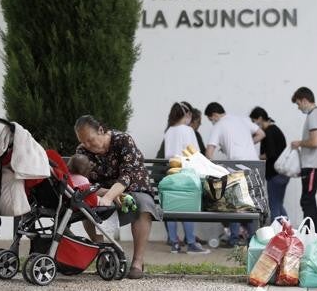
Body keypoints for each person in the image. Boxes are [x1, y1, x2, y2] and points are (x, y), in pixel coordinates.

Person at [74, 115, 162, 279]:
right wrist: (108, 194)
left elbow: (127, 175)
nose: (87, 145)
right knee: (86, 208)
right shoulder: (83, 151)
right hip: (104, 191)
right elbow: (85, 183)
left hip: (133, 186)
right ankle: (105, 255)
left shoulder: (123, 140)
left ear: (101, 130)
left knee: (143, 204)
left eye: (90, 140)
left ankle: (137, 262)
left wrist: (111, 196)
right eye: (83, 141)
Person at [204, 102, 265, 247]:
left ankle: (234, 239)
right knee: (251, 205)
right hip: (254, 166)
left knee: (234, 205)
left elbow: (209, 152)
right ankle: (252, 239)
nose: (212, 122)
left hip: (236, 167)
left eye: (210, 119)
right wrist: (246, 144)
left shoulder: (219, 125)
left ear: (214, 115)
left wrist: (211, 168)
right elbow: (261, 134)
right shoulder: (242, 119)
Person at [162, 102, 210, 254]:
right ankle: (191, 243)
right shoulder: (188, 130)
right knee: (187, 206)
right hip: (186, 172)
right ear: (187, 114)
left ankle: (174, 243)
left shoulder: (169, 130)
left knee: (172, 207)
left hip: (171, 171)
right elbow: (194, 152)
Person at [290, 87, 317, 234]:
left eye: (298, 104)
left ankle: (311, 235)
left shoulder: (313, 116)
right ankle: (312, 233)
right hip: (311, 164)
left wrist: (299, 143)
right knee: (308, 199)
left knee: (307, 200)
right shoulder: (314, 115)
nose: (299, 108)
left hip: (313, 165)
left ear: (305, 100)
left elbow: (314, 142)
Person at [249, 106, 288, 222]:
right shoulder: (276, 129)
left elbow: (270, 154)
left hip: (274, 174)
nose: (254, 125)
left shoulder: (269, 132)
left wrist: (255, 157)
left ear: (260, 118)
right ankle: (288, 231)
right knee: (279, 204)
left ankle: (276, 234)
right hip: (283, 174)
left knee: (274, 205)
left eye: (254, 121)